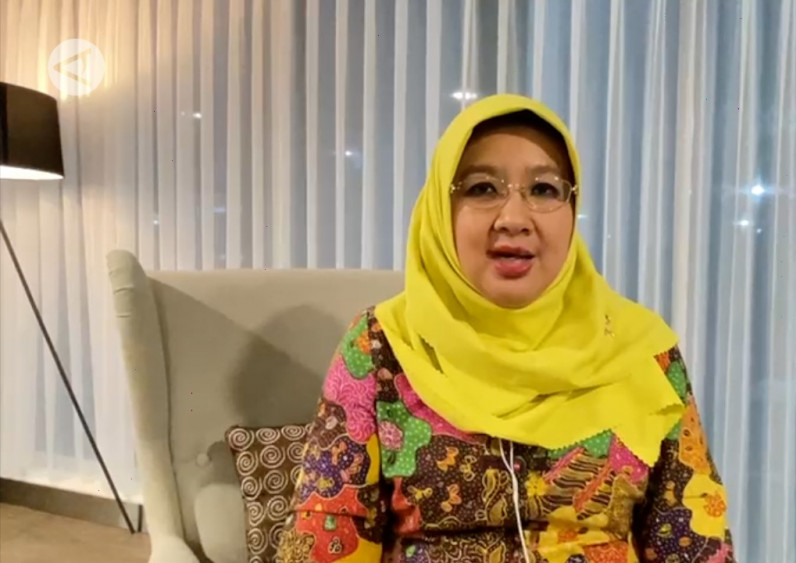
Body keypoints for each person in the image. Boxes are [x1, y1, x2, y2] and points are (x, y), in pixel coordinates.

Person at [276, 94, 735, 562]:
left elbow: (695, 540)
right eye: (481, 188)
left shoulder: (640, 351)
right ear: (441, 209)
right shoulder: (383, 346)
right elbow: (326, 537)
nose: (514, 219)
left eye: (544, 190)